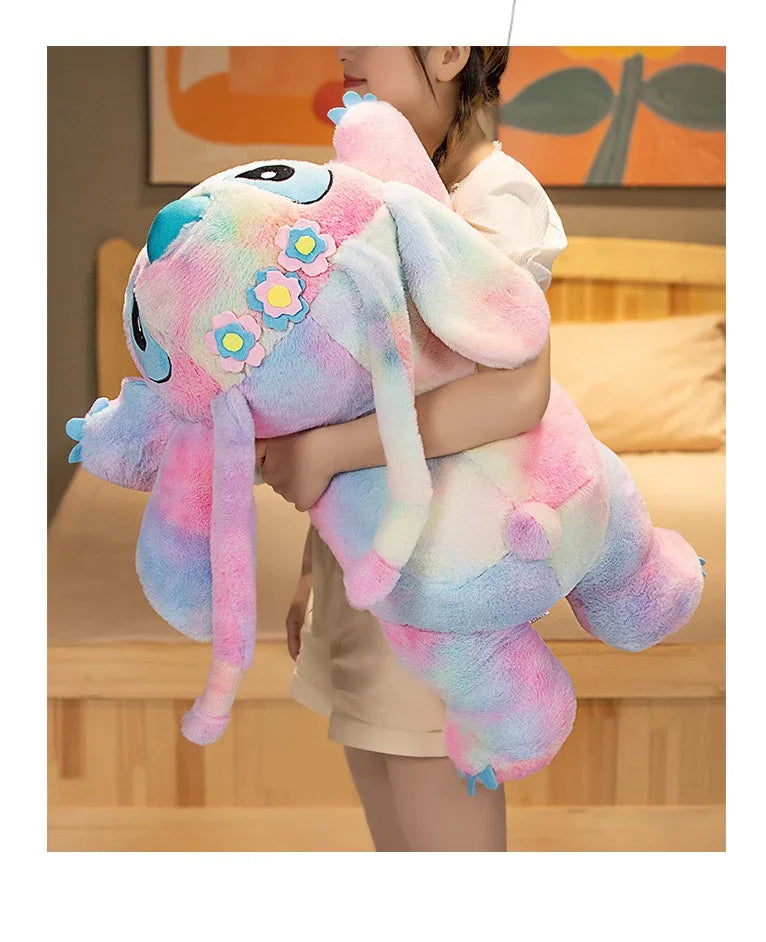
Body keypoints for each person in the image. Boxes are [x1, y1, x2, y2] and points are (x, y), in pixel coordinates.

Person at [256, 46, 567, 852]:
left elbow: (514, 394)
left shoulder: (495, 199)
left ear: (451, 48)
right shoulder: (371, 194)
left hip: (438, 578)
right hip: (368, 570)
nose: (345, 46)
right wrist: (311, 565)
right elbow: (356, 386)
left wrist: (323, 453)